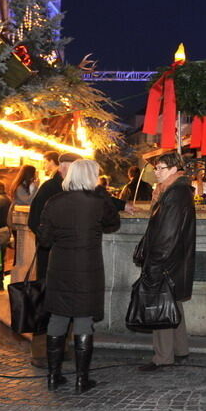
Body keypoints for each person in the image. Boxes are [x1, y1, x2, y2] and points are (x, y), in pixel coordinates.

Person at [38, 159, 121, 393]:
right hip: (88, 266)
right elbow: (113, 223)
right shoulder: (96, 202)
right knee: (83, 318)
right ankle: (81, 379)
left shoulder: (54, 201)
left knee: (58, 317)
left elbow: (44, 240)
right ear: (91, 177)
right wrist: (102, 195)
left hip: (60, 265)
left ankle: (53, 376)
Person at [135, 152, 196, 371]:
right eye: (155, 168)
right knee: (173, 303)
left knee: (160, 306)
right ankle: (180, 350)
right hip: (174, 259)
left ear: (173, 170)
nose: (156, 172)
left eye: (160, 168)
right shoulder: (174, 191)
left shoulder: (175, 193)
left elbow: (167, 232)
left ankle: (162, 357)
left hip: (166, 260)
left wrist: (156, 261)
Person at [27, 151, 78, 366]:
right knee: (46, 300)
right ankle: (41, 352)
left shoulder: (69, 187)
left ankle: (61, 346)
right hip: (50, 254)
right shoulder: (50, 188)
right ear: (64, 166)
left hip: (62, 255)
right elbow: (34, 221)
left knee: (63, 301)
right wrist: (53, 239)